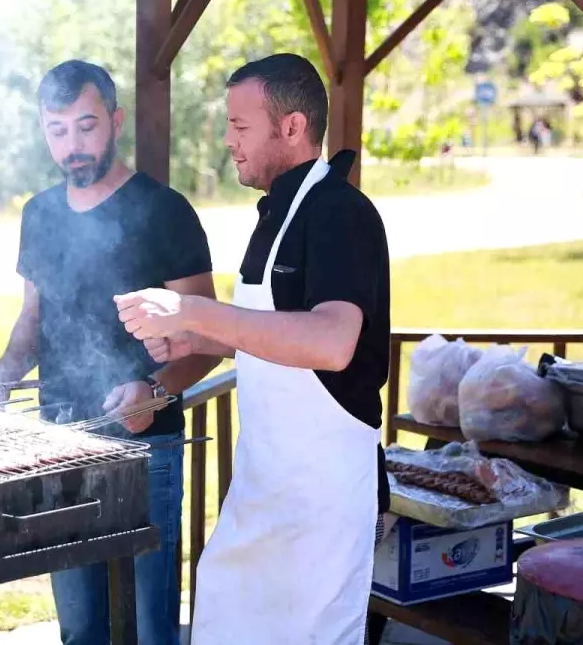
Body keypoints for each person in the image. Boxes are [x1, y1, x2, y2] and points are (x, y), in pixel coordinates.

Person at [114, 53, 391, 645]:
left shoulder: (342, 213)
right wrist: (186, 341)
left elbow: (332, 341)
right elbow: (265, 329)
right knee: (225, 616)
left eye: (240, 127)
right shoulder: (277, 213)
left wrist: (194, 310)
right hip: (264, 480)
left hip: (320, 497)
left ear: (291, 127)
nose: (227, 141)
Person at [0, 59, 220, 645]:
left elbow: (209, 340)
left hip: (145, 446)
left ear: (116, 120)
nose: (73, 146)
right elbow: (33, 321)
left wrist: (154, 392)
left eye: (86, 126)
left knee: (149, 628)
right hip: (60, 443)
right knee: (81, 628)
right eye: (57, 131)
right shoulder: (39, 215)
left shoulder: (166, 212)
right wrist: (2, 376)